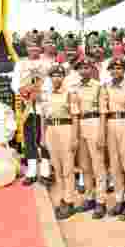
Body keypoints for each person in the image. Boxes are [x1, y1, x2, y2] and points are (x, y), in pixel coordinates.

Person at [13, 37, 53, 185]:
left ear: (40, 48)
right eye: (31, 47)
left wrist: (40, 91)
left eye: (36, 46)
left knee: (44, 139)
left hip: (44, 105)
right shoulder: (20, 63)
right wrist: (24, 90)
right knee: (29, 139)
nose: (34, 49)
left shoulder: (48, 63)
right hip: (27, 106)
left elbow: (52, 81)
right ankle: (31, 171)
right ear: (27, 48)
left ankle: (45, 171)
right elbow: (15, 82)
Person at [42, 65, 79, 220]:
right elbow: (43, 118)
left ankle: (69, 201)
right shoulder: (46, 95)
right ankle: (62, 199)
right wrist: (43, 137)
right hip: (51, 130)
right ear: (50, 78)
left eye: (59, 76)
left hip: (66, 128)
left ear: (63, 78)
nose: (56, 78)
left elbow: (75, 116)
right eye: (54, 76)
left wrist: (75, 137)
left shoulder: (70, 94)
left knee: (68, 168)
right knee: (56, 168)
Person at [102, 58, 125, 219]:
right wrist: (102, 132)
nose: (116, 71)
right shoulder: (105, 88)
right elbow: (103, 111)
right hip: (111, 124)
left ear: (123, 70)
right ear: (109, 71)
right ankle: (119, 199)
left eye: (119, 68)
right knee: (115, 165)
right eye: (113, 68)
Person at [72, 58, 106, 218]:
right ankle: (89, 197)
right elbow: (74, 112)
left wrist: (101, 132)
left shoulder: (98, 86)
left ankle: (101, 201)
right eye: (81, 68)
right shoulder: (75, 88)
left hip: (94, 122)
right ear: (78, 70)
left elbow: (103, 111)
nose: (84, 70)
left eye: (87, 67)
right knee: (85, 166)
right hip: (80, 123)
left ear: (91, 69)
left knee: (98, 165)